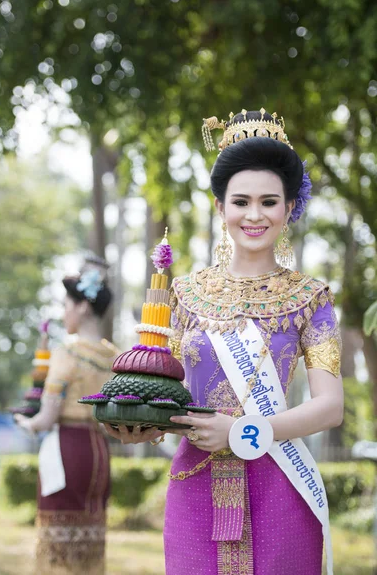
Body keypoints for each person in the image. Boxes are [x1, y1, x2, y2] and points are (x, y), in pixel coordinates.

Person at [105, 109, 344, 575]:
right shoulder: (184, 295)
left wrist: (242, 432)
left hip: (281, 482)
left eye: (269, 201)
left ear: (289, 207)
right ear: (220, 208)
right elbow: (165, 396)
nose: (254, 215)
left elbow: (331, 406)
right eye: (241, 202)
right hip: (195, 482)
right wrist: (141, 424)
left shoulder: (312, 298)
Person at [15, 258, 119, 575]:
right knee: (90, 533)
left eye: (66, 305)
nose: (64, 313)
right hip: (99, 452)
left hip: (67, 452)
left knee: (59, 545)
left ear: (83, 306)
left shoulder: (66, 353)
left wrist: (26, 423)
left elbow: (45, 419)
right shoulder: (115, 357)